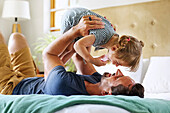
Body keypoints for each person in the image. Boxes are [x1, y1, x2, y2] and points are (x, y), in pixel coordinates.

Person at [0, 16, 144, 98]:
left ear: (106, 92)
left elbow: (48, 54)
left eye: (117, 78)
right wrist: (98, 30)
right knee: (16, 37)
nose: (117, 71)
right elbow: (79, 57)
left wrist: (75, 31)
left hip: (10, 88)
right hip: (30, 80)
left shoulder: (63, 84)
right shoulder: (99, 82)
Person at [60, 7, 144, 71]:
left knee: (75, 51)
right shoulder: (103, 36)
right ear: (114, 48)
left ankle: (58, 67)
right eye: (118, 63)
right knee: (69, 48)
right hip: (72, 18)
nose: (116, 66)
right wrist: (91, 59)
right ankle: (54, 68)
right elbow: (78, 45)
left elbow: (88, 40)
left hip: (82, 25)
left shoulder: (111, 39)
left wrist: (87, 56)